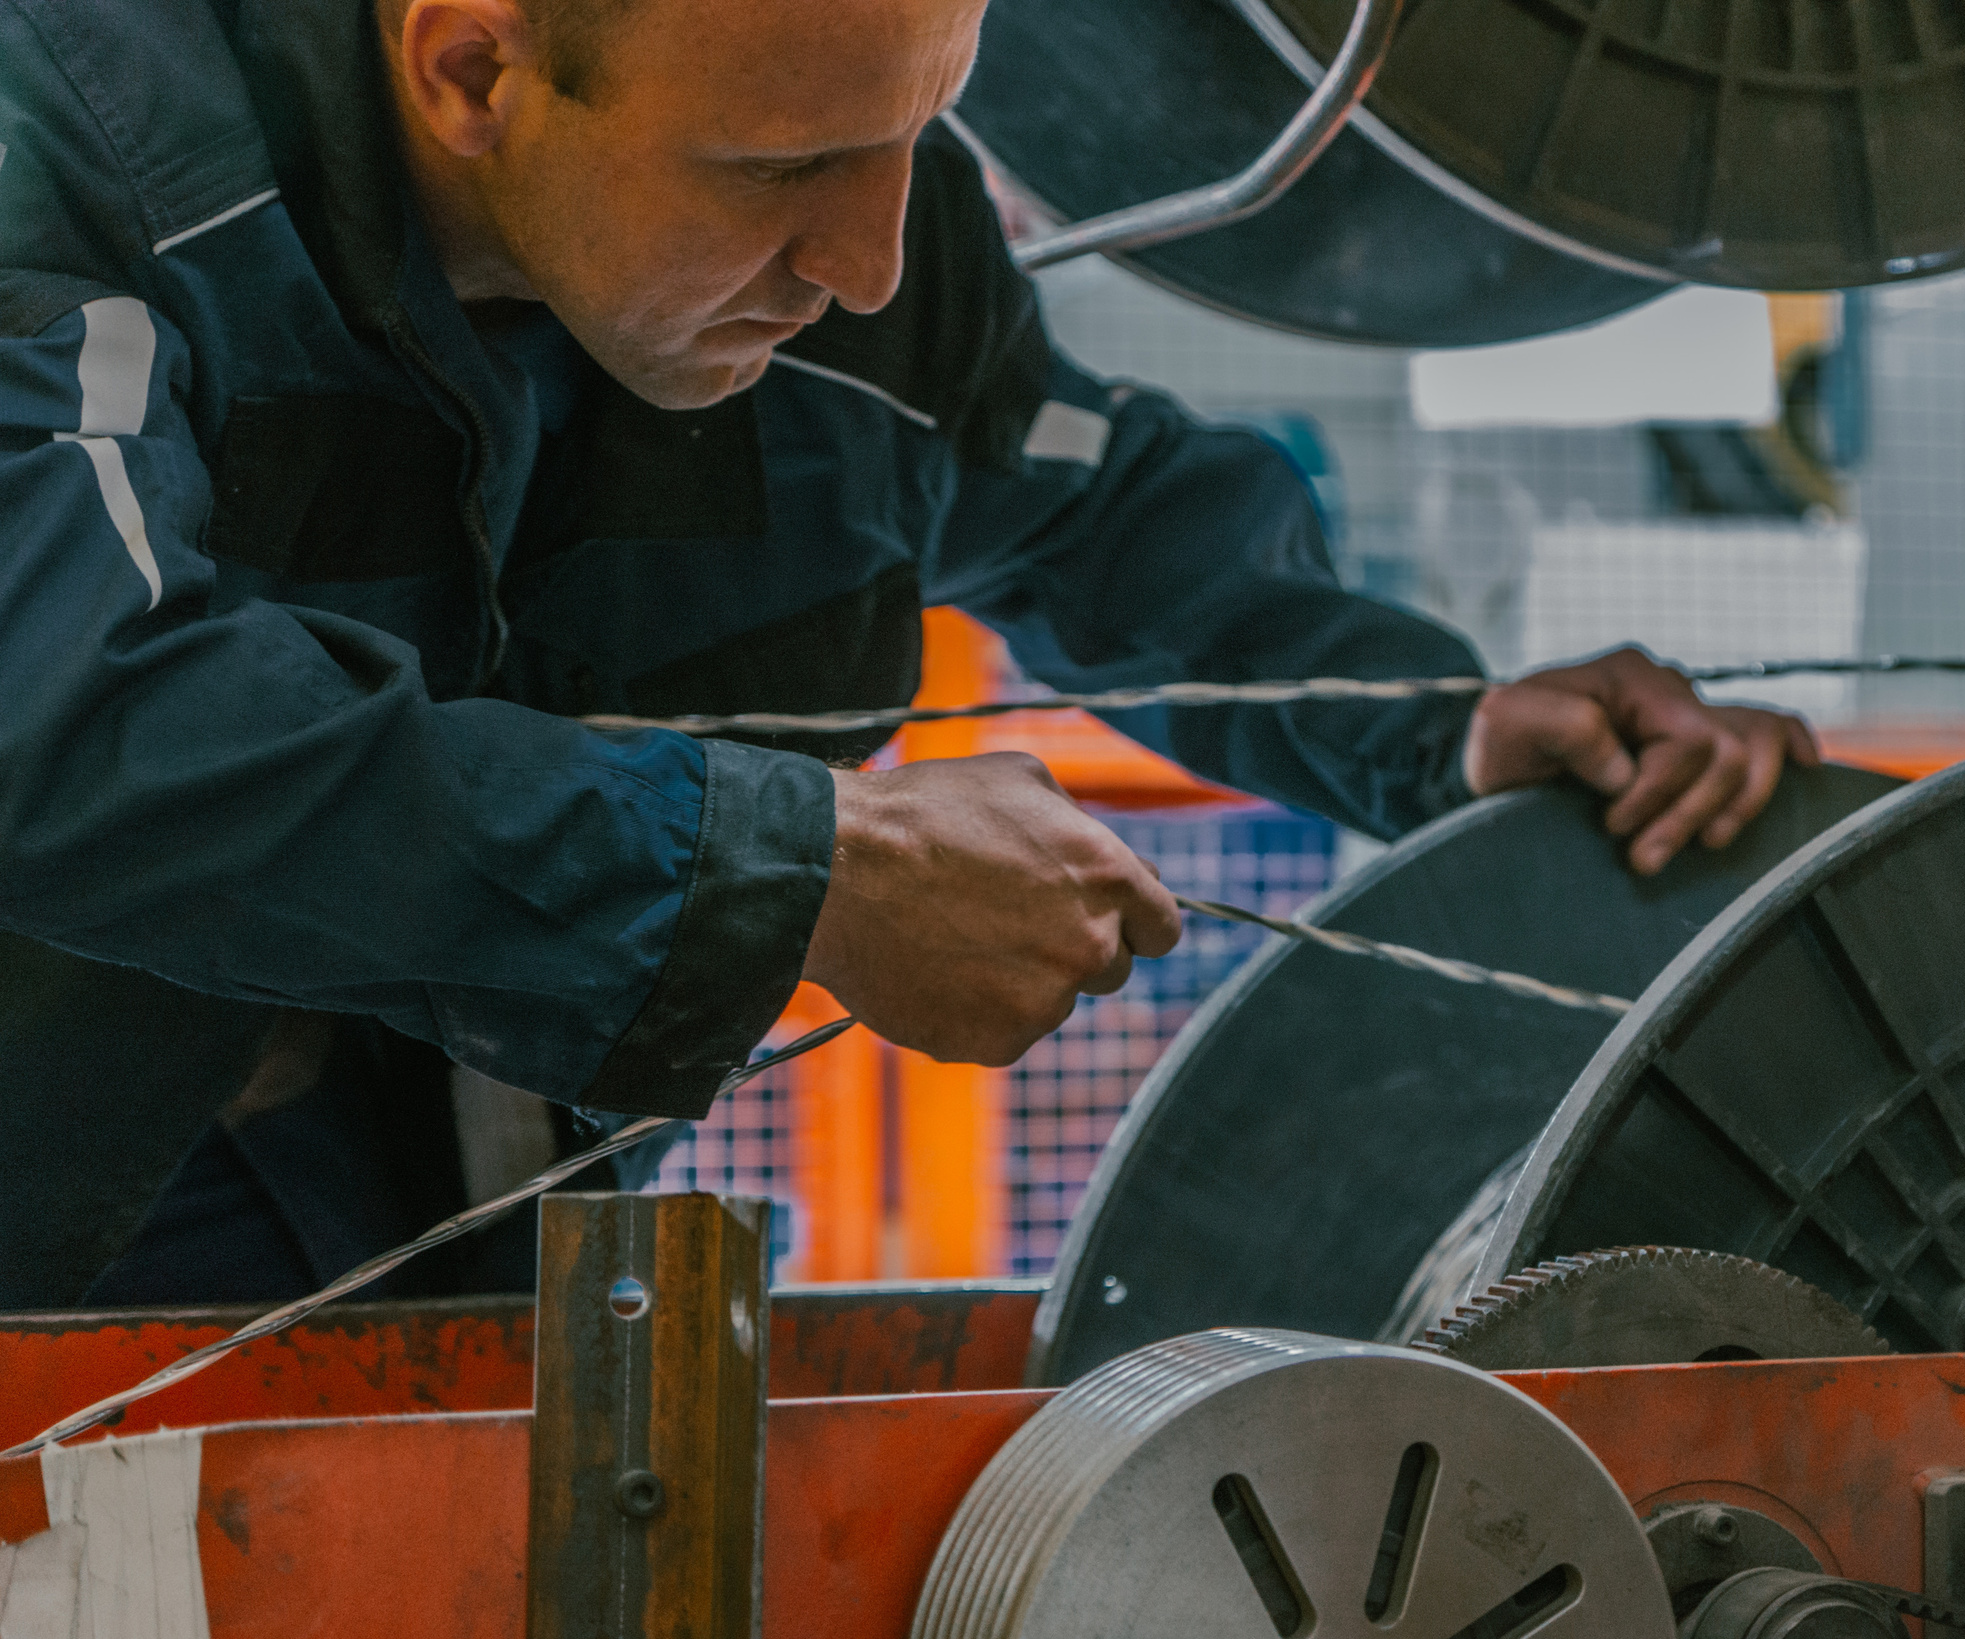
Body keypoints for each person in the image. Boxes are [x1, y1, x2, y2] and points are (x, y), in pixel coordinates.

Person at [0, 0, 1817, 1307]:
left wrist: (1446, 720)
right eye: (785, 166)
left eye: (918, 134)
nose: (872, 261)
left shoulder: (850, 204)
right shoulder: (74, 157)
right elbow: (81, 725)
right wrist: (806, 874)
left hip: (451, 1212)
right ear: (473, 66)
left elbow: (1069, 490)